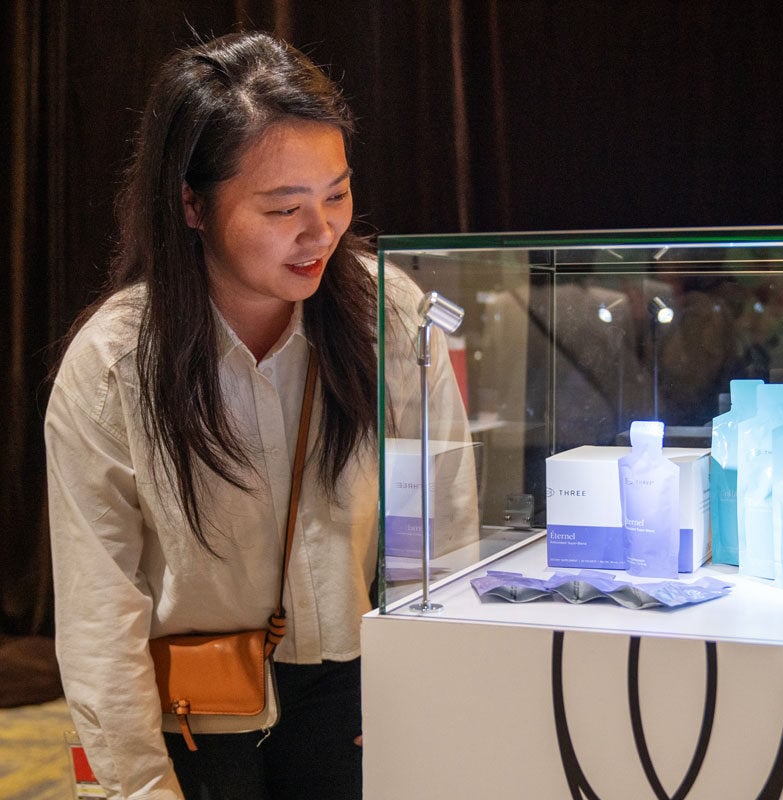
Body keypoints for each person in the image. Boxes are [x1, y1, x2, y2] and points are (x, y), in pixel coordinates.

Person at [45, 30, 472, 799]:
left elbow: (442, 521)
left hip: (358, 691)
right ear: (192, 203)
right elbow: (98, 612)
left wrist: (435, 689)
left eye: (336, 194)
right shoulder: (113, 366)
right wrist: (139, 789)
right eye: (282, 208)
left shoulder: (391, 317)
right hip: (192, 715)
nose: (320, 233)